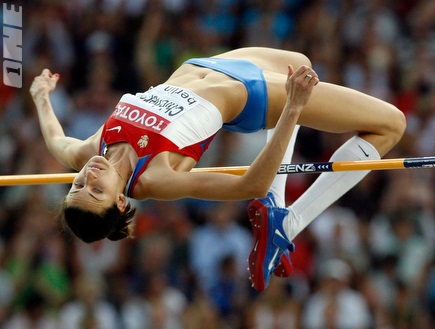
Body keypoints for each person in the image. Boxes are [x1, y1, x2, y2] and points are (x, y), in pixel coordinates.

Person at [30, 47, 406, 291]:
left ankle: (275, 215)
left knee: (304, 60)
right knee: (392, 124)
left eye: (78, 185)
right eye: (96, 191)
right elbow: (250, 184)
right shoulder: (154, 177)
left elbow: (55, 140)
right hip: (253, 93)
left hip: (209, 65)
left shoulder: (90, 152)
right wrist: (293, 108)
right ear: (122, 202)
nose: (89, 176)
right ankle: (290, 221)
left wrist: (41, 96)